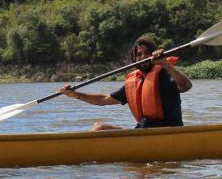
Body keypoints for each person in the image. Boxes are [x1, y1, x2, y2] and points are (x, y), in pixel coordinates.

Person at [59, 36, 192, 130]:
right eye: (139, 54)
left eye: (147, 53)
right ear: (134, 59)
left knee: (99, 128)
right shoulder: (136, 81)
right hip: (143, 132)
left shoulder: (166, 73)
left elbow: (186, 86)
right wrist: (75, 95)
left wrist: (167, 65)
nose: (143, 57)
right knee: (99, 127)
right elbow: (104, 99)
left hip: (168, 132)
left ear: (154, 55)